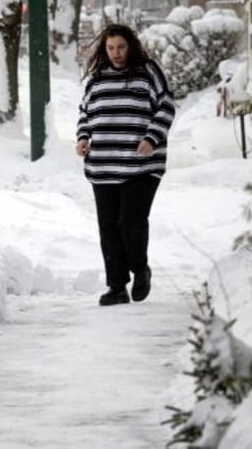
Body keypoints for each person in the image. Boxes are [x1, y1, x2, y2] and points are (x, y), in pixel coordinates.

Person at [75, 24, 176, 306]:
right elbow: (85, 112)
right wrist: (83, 137)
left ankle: (140, 270)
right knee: (108, 227)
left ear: (130, 46)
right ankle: (117, 286)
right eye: (110, 48)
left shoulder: (147, 72)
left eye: (121, 47)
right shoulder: (96, 80)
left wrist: (151, 139)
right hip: (104, 165)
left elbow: (166, 106)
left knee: (130, 222)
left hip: (142, 164)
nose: (116, 53)